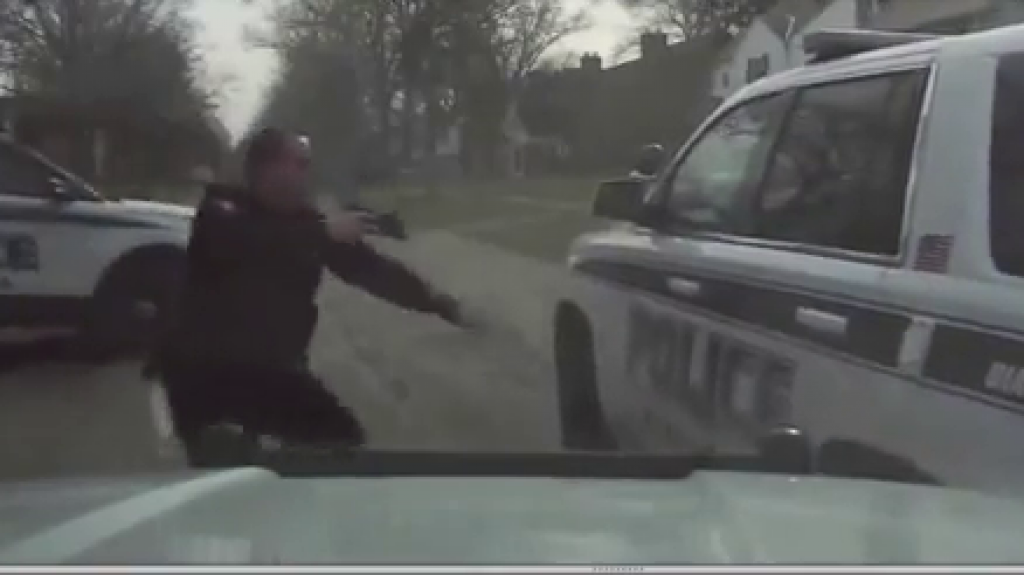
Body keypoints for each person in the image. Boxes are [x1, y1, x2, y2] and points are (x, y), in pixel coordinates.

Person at [146, 127, 467, 462]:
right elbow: (252, 242)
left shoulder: (303, 222)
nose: (306, 174)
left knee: (339, 440)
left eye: (307, 165)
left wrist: (442, 304)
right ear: (267, 169)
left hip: (267, 369)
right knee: (232, 468)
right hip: (203, 371)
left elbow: (371, 270)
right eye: (299, 164)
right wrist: (322, 232)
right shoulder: (221, 210)